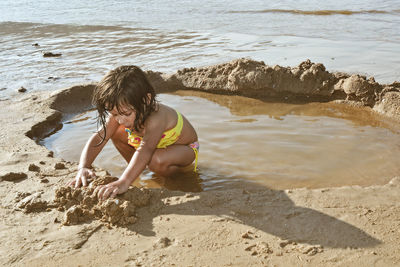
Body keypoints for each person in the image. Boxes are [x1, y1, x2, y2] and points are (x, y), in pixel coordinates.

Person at [69, 65, 199, 200]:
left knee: (156, 160)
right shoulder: (119, 113)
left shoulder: (157, 117)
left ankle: (180, 177)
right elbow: (99, 137)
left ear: (146, 100)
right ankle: (135, 171)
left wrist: (123, 182)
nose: (120, 120)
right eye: (114, 114)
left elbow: (146, 149)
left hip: (184, 150)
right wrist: (83, 167)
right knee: (116, 132)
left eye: (126, 114)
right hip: (152, 149)